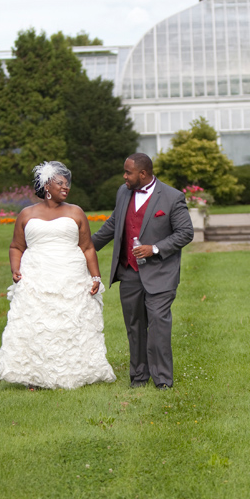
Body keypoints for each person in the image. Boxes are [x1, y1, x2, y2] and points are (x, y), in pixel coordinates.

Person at [0, 161, 115, 390]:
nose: (66, 187)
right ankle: (34, 375)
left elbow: (88, 247)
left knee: (69, 323)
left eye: (67, 184)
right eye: (60, 183)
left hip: (70, 275)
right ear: (46, 185)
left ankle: (75, 372)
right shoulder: (26, 214)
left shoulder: (76, 212)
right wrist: (15, 269)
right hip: (37, 277)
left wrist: (96, 278)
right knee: (36, 324)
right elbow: (16, 247)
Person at [92, 153, 194, 389]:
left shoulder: (172, 197)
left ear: (143, 174)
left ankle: (163, 381)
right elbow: (114, 224)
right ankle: (139, 377)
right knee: (135, 326)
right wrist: (87, 247)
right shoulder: (123, 192)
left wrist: (155, 248)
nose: (124, 176)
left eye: (128, 172)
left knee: (158, 325)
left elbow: (185, 233)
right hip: (129, 272)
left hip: (160, 274)